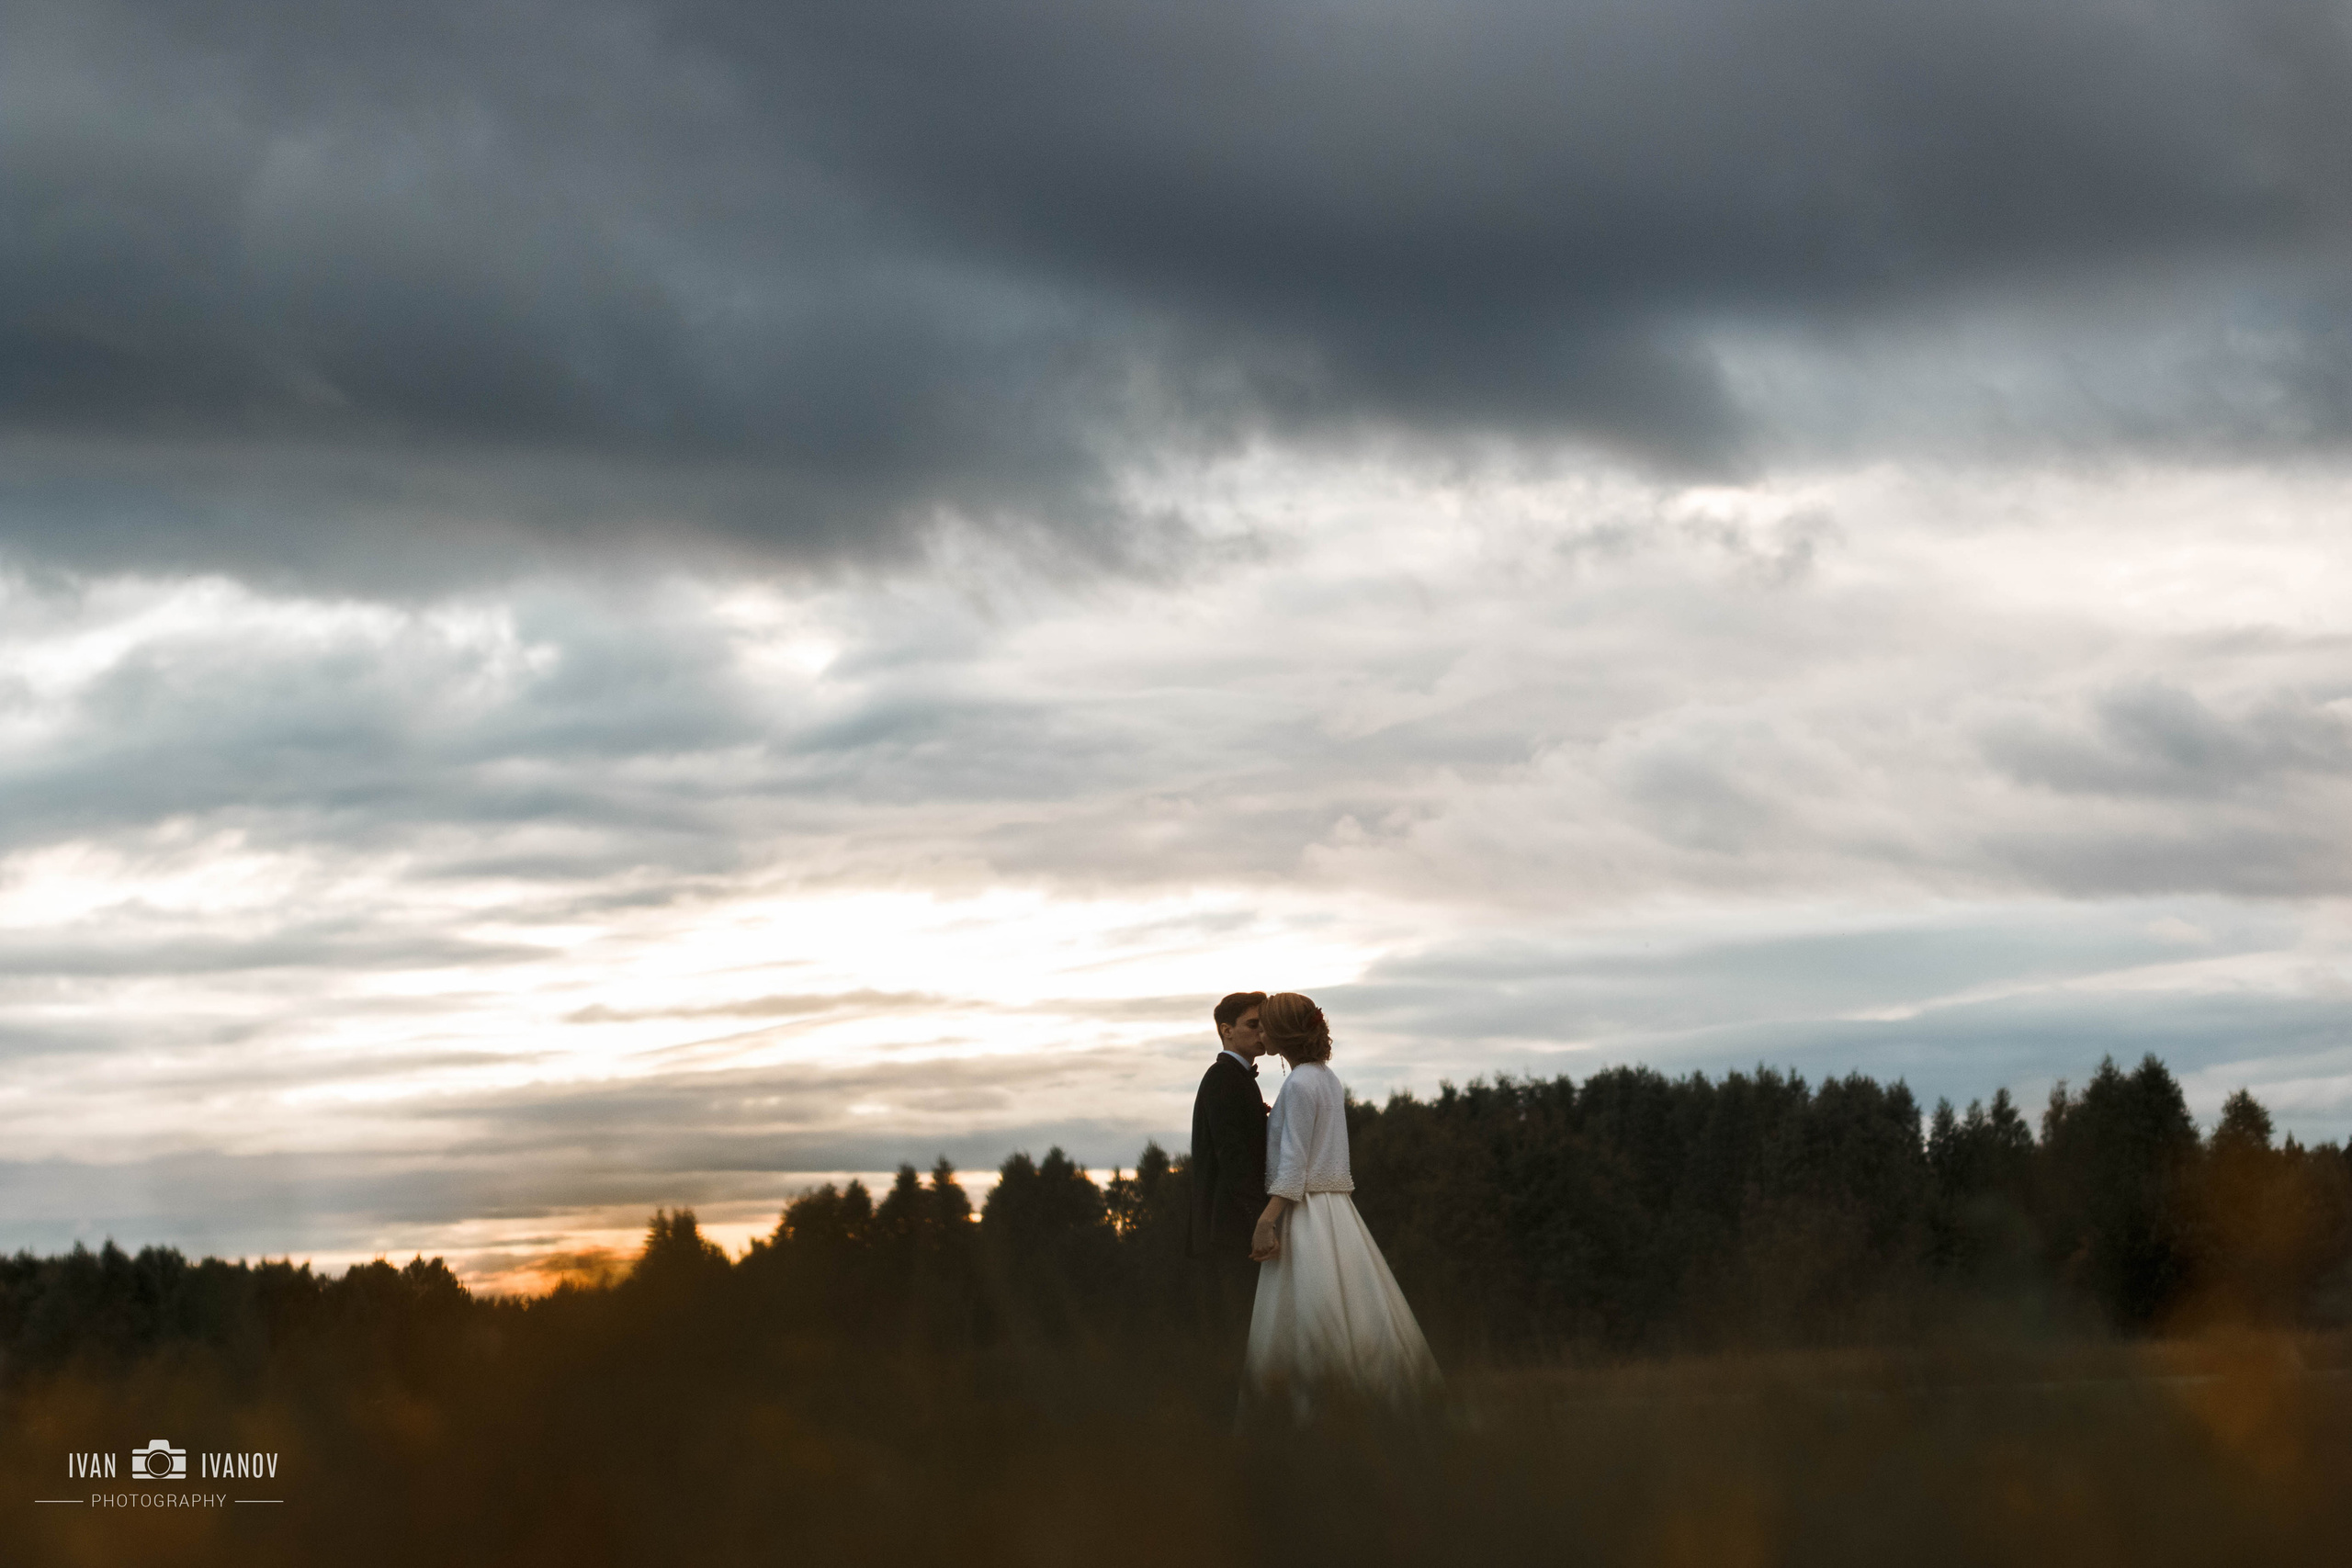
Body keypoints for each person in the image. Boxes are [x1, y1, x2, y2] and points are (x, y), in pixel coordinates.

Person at [1245, 992, 1440, 1408]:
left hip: (1306, 1211)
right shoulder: (1327, 1078)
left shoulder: (1299, 1083)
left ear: (1283, 1033)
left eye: (1265, 1026)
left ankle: (1313, 1410)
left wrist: (1266, 1220)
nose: (1260, 1033)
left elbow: (1294, 1165)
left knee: (1309, 1310)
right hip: (1337, 1211)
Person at [1187, 991, 1270, 1394]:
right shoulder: (1223, 1078)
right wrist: (1261, 1220)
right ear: (1226, 1030)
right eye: (1253, 1024)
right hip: (1231, 1229)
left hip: (1232, 1226)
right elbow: (1233, 1158)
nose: (1262, 1032)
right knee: (1239, 1333)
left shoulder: (1235, 1079)